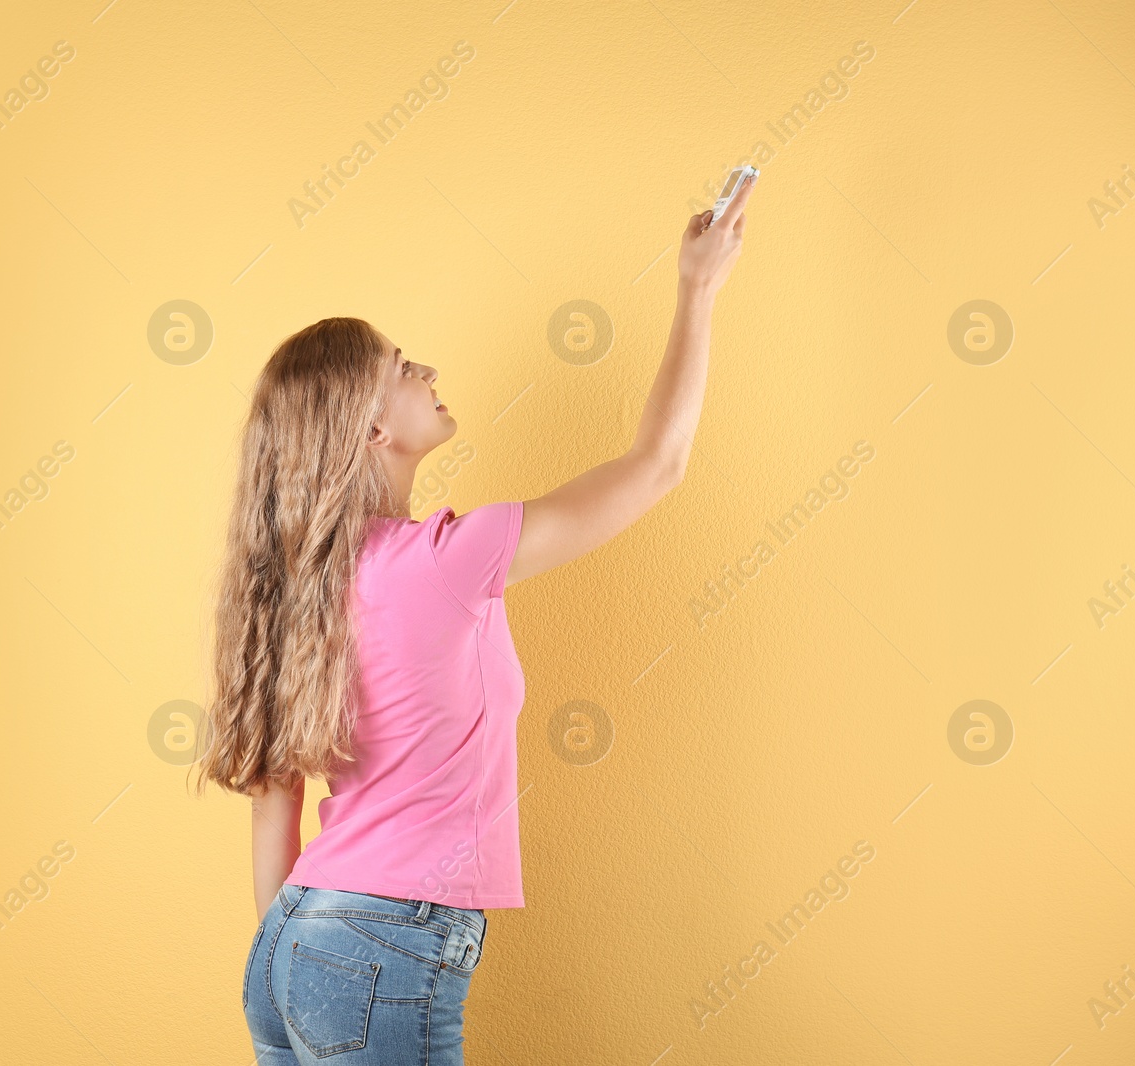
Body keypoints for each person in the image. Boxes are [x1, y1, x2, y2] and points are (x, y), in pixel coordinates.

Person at [192, 173, 756, 1064]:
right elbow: (658, 464)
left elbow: (275, 807)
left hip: (292, 943)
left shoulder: (291, 593)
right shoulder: (448, 561)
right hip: (382, 944)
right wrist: (698, 288)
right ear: (370, 431)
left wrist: (296, 963)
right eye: (402, 370)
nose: (427, 374)